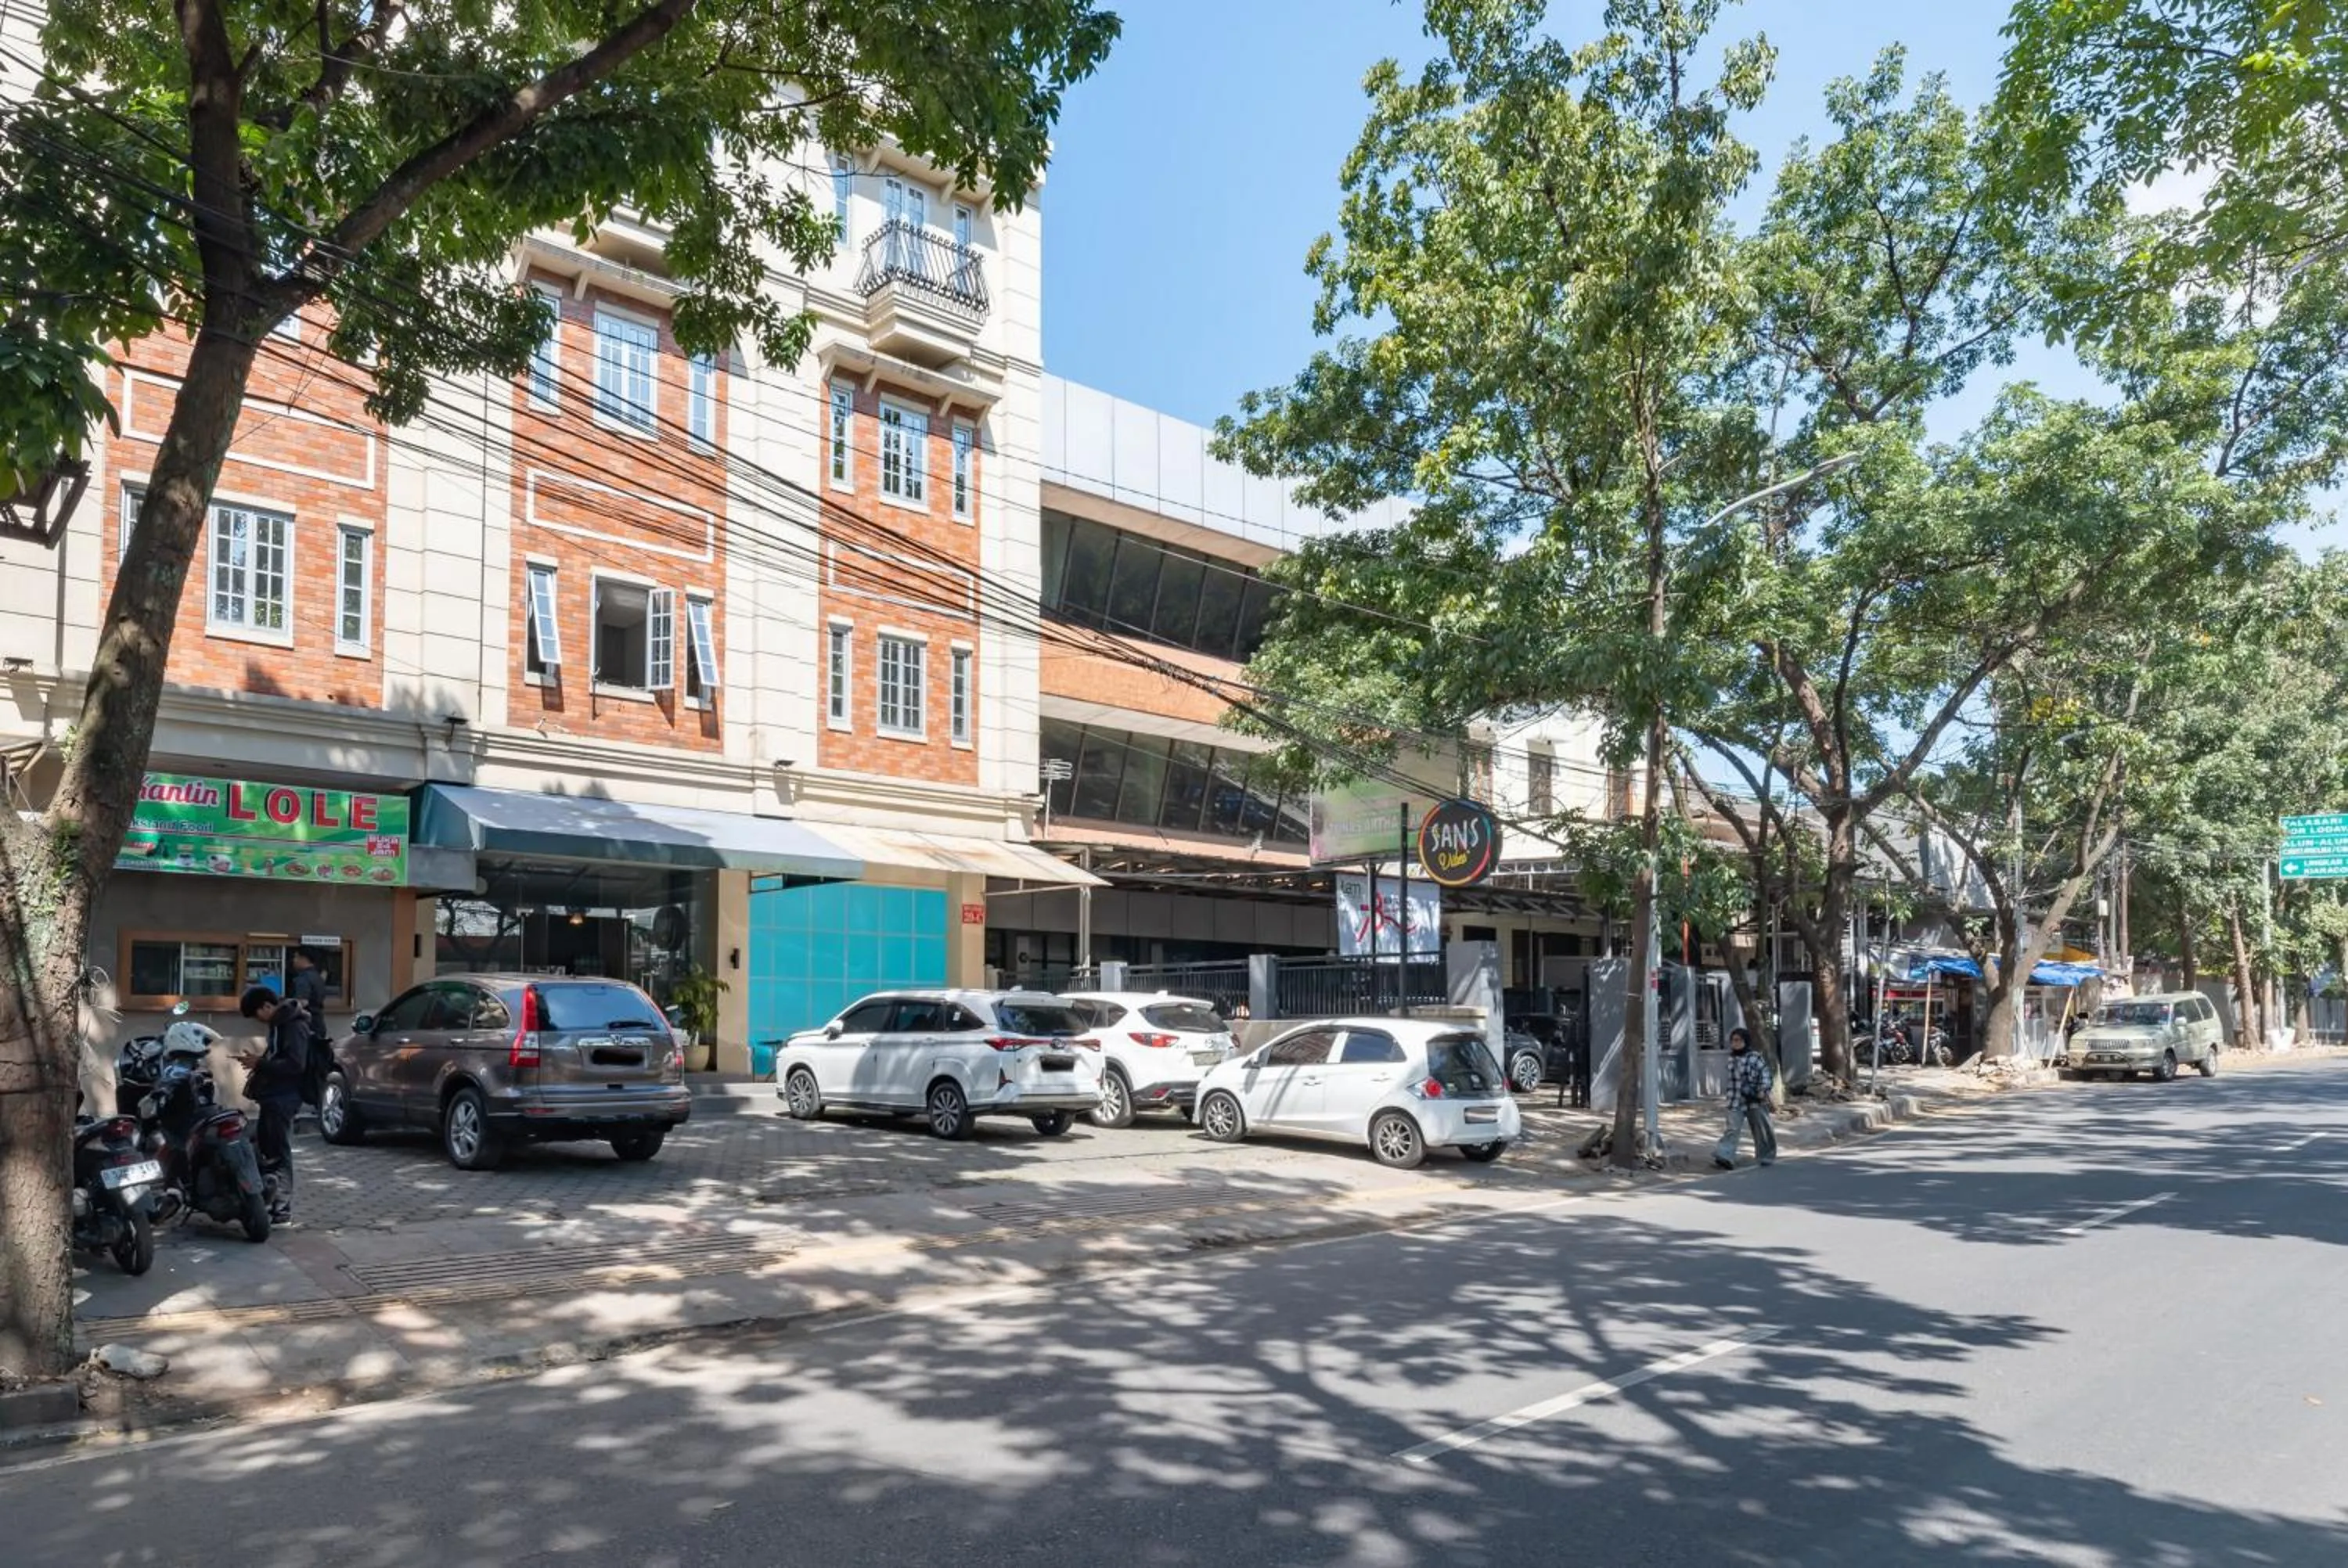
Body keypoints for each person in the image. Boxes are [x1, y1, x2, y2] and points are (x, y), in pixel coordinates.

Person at [238, 984, 309, 1225]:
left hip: (285, 1097)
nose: (259, 1020)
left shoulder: (293, 1025)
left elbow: (295, 1065)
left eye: (258, 1014)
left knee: (280, 1152)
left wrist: (261, 1064)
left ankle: (282, 1208)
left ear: (267, 1006)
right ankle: (270, 1201)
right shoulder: (279, 1024)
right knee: (267, 1149)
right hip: (274, 1095)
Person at [1715, 1026, 1777, 1170]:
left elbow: (1766, 1075)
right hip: (1735, 1100)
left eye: (1738, 1040)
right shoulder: (1731, 1058)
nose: (1735, 1043)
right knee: (1732, 1129)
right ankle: (1725, 1156)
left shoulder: (1755, 1057)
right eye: (1733, 1040)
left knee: (1762, 1129)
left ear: (1745, 1041)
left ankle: (1766, 1156)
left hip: (1755, 1100)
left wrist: (1763, 1090)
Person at [286, 948, 333, 1113]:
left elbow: (302, 1002)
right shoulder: (318, 977)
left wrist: (284, 1010)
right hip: (319, 1025)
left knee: (303, 1066)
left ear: (304, 958)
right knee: (317, 1066)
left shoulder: (304, 979)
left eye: (296, 957)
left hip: (307, 1028)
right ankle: (320, 1103)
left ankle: (309, 1102)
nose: (293, 961)